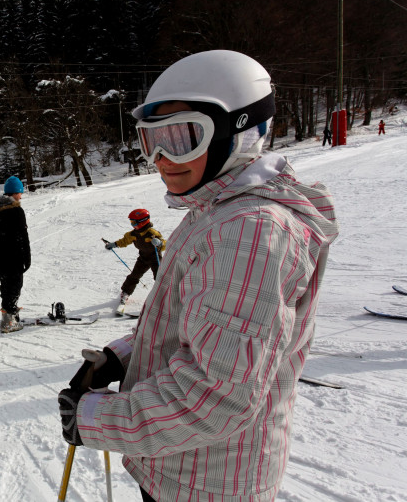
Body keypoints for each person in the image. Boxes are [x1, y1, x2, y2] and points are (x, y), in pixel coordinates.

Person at [58, 50, 338, 501]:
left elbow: (216, 396)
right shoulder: (216, 209)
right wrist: (119, 357)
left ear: (242, 131)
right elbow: (189, 320)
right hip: (185, 469)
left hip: (206, 483)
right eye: (152, 139)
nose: (162, 158)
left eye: (184, 137)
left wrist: (95, 420)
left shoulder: (249, 232)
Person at [0, 176, 31, 333]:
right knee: (15, 286)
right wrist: (27, 258)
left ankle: (8, 314)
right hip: (14, 257)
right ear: (15, 193)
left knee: (5, 285)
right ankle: (9, 321)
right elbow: (22, 237)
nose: (21, 196)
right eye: (20, 193)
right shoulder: (16, 211)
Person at [104, 208, 166, 310]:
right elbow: (125, 241)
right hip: (143, 258)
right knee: (134, 276)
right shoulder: (133, 234)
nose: (132, 225)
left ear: (143, 221)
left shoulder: (151, 233)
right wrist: (113, 244)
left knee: (159, 278)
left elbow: (165, 244)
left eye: (134, 222)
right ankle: (125, 294)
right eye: (131, 222)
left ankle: (164, 299)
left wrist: (159, 243)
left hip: (155, 258)